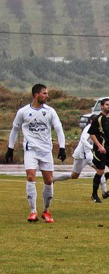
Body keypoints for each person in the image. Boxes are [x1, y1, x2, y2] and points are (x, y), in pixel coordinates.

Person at [5, 83, 66, 223]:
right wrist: (10, 148)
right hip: (30, 150)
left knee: (49, 180)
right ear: (36, 95)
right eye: (44, 93)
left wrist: (62, 147)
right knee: (31, 177)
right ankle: (33, 211)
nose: (47, 96)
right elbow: (15, 129)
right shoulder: (23, 111)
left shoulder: (50, 111)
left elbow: (59, 129)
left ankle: (46, 211)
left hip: (46, 150)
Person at [52, 116, 109, 197]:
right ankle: (54, 179)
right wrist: (92, 147)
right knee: (74, 176)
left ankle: (105, 192)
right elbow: (83, 139)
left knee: (100, 170)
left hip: (88, 154)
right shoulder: (88, 128)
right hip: (81, 155)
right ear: (91, 121)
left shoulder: (95, 128)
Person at [88, 97, 109, 203]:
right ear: (102, 106)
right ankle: (94, 195)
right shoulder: (98, 118)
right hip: (100, 149)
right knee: (100, 171)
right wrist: (99, 146)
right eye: (107, 104)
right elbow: (92, 133)